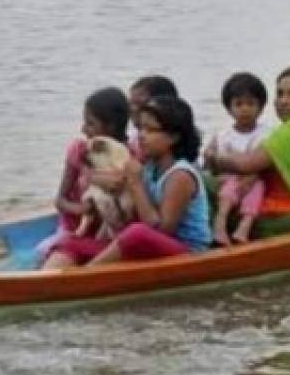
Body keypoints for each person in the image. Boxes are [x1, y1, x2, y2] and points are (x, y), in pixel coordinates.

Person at [44, 96, 210, 268]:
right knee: (70, 242)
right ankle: (49, 281)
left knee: (136, 232)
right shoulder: (149, 166)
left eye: (150, 130)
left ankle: (85, 276)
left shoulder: (180, 175)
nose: (142, 136)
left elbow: (161, 230)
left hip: (186, 251)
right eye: (140, 128)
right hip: (149, 244)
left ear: (174, 137)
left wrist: (135, 183)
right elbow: (121, 192)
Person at [206, 67, 290, 238]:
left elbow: (246, 164)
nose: (283, 101)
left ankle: (205, 241)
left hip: (281, 215)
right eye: (280, 94)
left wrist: (213, 159)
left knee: (201, 183)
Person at [45, 87, 133, 249]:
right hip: (74, 229)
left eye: (90, 123)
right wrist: (81, 209)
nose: (83, 129)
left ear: (111, 126)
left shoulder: (129, 156)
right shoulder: (79, 151)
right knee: (54, 251)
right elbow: (60, 200)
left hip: (112, 234)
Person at [210, 72, 273, 246]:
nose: (245, 109)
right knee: (232, 184)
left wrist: (250, 177)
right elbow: (214, 165)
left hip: (255, 180)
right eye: (238, 104)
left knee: (257, 186)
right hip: (228, 180)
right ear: (229, 108)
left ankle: (244, 227)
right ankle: (220, 223)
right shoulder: (223, 135)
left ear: (260, 107)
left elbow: (262, 164)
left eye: (251, 104)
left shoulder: (267, 134)